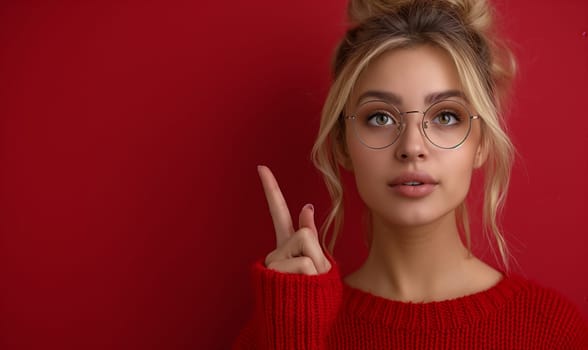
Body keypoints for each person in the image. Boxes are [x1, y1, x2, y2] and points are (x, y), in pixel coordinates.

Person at [233, 0, 588, 348]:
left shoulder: (551, 331)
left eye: (446, 116)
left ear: (481, 142)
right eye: (381, 117)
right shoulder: (278, 331)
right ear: (342, 144)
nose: (412, 147)